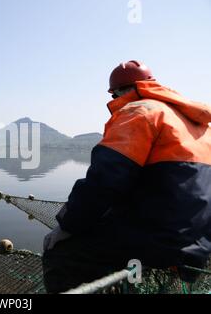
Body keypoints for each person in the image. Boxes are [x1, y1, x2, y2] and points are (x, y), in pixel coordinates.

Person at [42, 60, 211, 293]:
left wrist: (67, 225)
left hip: (160, 241)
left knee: (61, 252)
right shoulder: (199, 124)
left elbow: (103, 181)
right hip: (199, 245)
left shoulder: (139, 111)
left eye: (114, 96)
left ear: (121, 92)